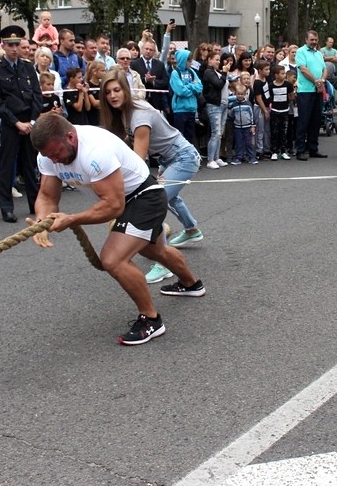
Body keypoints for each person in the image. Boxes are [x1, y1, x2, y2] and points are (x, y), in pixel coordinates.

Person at [29, 114, 205, 345]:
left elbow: (112, 205)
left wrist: (71, 219)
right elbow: (47, 195)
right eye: (49, 157)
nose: (56, 160)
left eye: (57, 153)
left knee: (113, 259)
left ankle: (151, 320)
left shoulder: (95, 150)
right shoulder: (50, 155)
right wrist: (43, 222)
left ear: (70, 137)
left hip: (145, 197)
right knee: (153, 250)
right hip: (124, 199)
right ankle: (191, 285)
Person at [100, 67, 204, 282]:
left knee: (155, 202)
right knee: (169, 197)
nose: (112, 96)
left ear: (126, 90)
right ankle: (192, 229)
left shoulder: (139, 116)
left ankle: (163, 264)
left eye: (117, 90)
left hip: (183, 157)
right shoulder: (122, 114)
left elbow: (138, 161)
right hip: (168, 158)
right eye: (108, 92)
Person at [0, 26, 43, 223]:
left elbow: (37, 95)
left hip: (29, 122)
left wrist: (32, 121)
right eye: (10, 45)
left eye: (16, 44)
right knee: (7, 166)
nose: (13, 49)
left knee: (30, 165)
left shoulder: (28, 67)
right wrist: (16, 122)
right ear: (3, 46)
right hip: (11, 124)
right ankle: (6, 208)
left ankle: (35, 204)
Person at [294, 30, 328, 160]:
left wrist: (322, 81)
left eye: (315, 39)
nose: (314, 42)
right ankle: (300, 150)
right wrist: (316, 81)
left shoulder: (319, 53)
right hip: (306, 91)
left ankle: (313, 148)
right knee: (304, 121)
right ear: (306, 39)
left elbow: (324, 69)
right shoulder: (301, 52)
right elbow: (303, 69)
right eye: (311, 40)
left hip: (318, 91)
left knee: (315, 121)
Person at [167, 49, 203, 145]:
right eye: (189, 61)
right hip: (180, 110)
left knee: (189, 136)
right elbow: (180, 91)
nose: (191, 63)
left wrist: (188, 86)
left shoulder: (192, 72)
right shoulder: (175, 73)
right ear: (183, 60)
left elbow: (200, 87)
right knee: (180, 136)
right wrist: (192, 87)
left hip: (191, 109)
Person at [201, 51, 230, 169]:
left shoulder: (217, 72)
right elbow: (218, 85)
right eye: (216, 60)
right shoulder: (208, 72)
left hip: (223, 104)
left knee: (220, 133)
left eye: (219, 60)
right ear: (209, 60)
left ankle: (217, 157)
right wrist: (224, 73)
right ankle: (210, 159)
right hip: (214, 104)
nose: (218, 62)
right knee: (215, 132)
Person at [268, 64, 293, 160]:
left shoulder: (288, 85)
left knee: (284, 131)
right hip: (275, 110)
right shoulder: (271, 85)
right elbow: (269, 97)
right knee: (274, 131)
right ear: (276, 75)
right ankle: (274, 151)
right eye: (282, 74)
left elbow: (291, 96)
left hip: (285, 110)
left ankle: (283, 151)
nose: (284, 75)